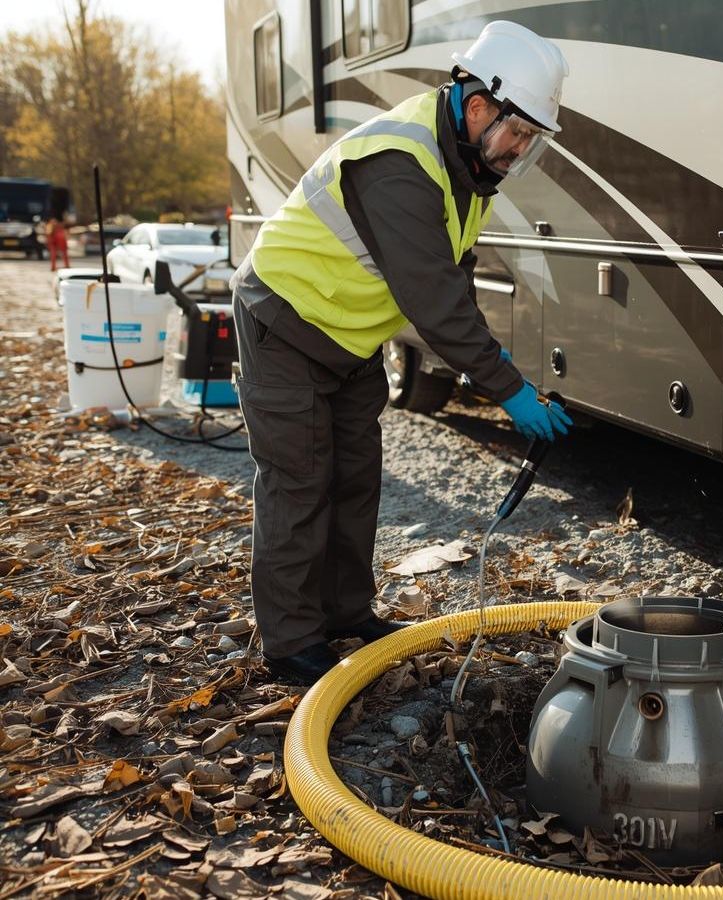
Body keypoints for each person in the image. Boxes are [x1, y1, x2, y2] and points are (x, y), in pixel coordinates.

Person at [231, 21, 573, 686]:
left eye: (531, 140)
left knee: (354, 479)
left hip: (349, 336)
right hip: (285, 319)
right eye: (518, 132)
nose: (520, 148)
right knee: (299, 484)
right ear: (478, 107)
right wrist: (508, 390)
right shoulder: (402, 164)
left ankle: (345, 612)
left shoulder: (467, 172)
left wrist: (503, 376)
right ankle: (292, 643)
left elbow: (455, 290)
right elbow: (436, 305)